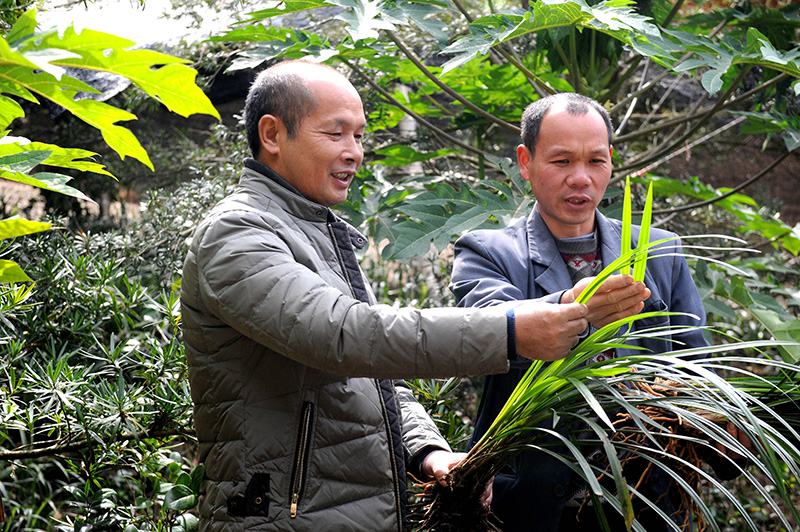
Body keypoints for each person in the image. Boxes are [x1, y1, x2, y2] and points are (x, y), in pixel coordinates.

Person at [180, 62, 650, 531]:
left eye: (359, 137)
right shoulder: (237, 233)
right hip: (281, 516)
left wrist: (429, 452)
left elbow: (372, 380)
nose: (354, 153)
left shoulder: (315, 231)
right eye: (337, 134)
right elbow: (349, 336)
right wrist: (512, 332)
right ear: (272, 134)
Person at [450, 92, 721, 531]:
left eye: (595, 161)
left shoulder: (659, 251)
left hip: (645, 501)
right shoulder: (487, 251)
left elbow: (695, 365)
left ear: (611, 161)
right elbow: (485, 328)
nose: (581, 178)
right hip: (529, 506)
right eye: (561, 162)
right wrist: (572, 309)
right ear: (525, 161)